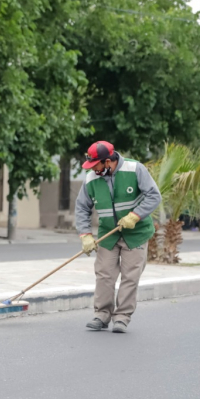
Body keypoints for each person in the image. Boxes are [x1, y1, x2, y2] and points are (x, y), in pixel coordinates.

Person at [75, 141, 161, 333]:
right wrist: (85, 234)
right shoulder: (91, 179)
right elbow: (82, 207)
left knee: (130, 276)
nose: (93, 170)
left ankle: (122, 317)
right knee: (104, 274)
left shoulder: (135, 169)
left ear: (108, 161)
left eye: (96, 165)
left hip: (136, 233)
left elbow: (154, 196)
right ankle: (101, 315)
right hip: (108, 233)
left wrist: (135, 215)